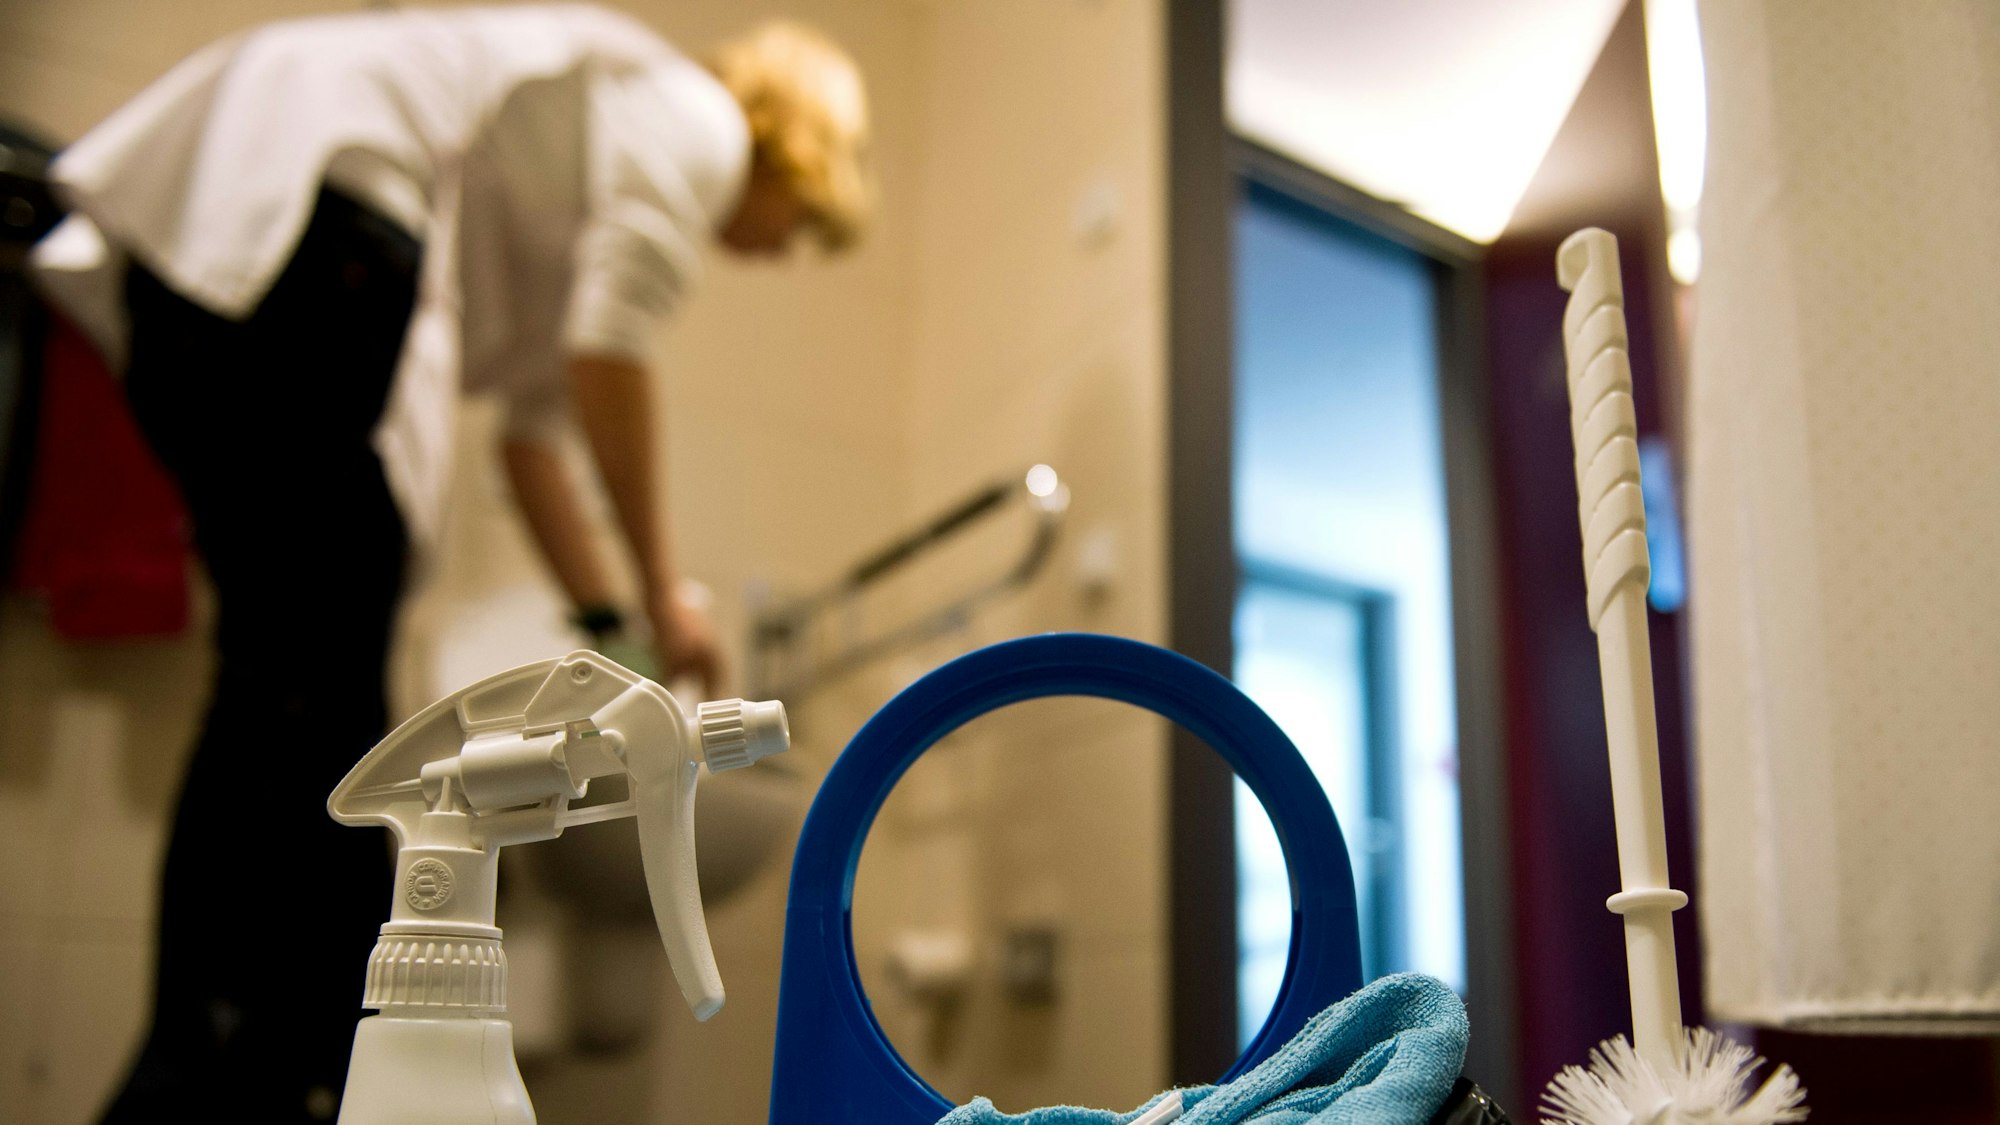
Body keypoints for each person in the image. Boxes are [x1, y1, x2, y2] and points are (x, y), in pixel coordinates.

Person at [29, 7, 871, 1120]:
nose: (777, 250)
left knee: (291, 690)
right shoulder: (698, 121)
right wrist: (667, 599)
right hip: (316, 216)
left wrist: (616, 629)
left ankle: (263, 1070)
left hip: (215, 259)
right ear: (794, 148)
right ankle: (218, 1076)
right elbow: (605, 357)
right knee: (309, 699)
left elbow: (533, 440)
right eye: (803, 221)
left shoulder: (566, 171)